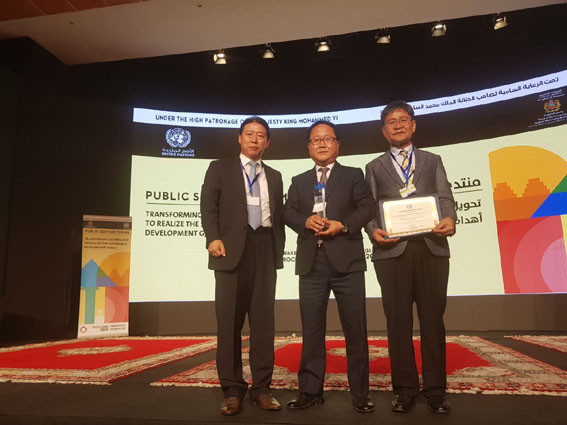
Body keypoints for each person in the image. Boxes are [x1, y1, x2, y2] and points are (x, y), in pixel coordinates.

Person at [365, 100, 456, 414]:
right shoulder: (374, 167)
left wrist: (450, 218)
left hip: (432, 248)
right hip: (391, 252)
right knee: (398, 323)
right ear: (384, 130)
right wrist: (373, 230)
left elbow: (445, 196)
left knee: (433, 321)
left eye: (403, 119)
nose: (398, 125)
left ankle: (436, 390)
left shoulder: (433, 160)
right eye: (391, 122)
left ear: (413, 125)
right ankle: (404, 389)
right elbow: (369, 207)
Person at [283, 120, 376, 413]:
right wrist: (304, 221)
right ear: (309, 147)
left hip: (347, 262)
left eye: (328, 139)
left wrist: (343, 225)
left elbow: (367, 207)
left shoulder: (353, 175)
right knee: (311, 331)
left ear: (337, 144)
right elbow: (287, 211)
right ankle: (310, 391)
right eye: (316, 140)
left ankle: (360, 393)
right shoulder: (299, 180)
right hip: (311, 263)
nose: (322, 144)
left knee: (355, 330)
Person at [200, 116, 285, 416]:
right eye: (249, 134)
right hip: (230, 250)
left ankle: (262, 388)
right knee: (229, 324)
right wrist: (212, 237)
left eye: (260, 135)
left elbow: (279, 215)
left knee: (264, 324)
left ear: (267, 142)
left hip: (264, 247)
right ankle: (232, 389)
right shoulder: (219, 168)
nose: (254, 139)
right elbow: (208, 205)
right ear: (240, 138)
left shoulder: (274, 175)